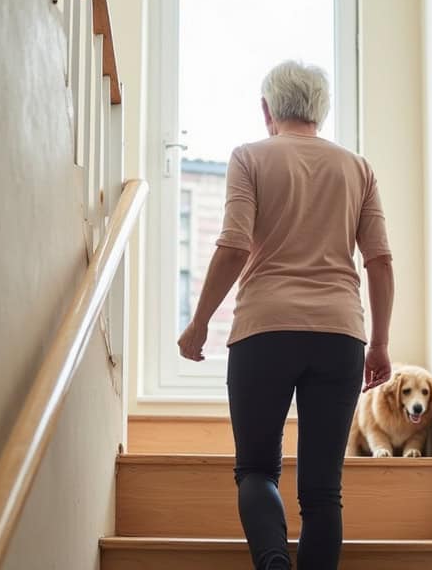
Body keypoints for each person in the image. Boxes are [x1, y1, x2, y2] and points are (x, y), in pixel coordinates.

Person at [177, 60, 394, 569]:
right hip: (340, 334)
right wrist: (380, 343)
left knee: (256, 470)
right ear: (322, 110)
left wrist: (200, 321)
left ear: (267, 109)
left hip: (263, 333)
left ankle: (272, 561)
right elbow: (380, 260)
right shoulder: (356, 167)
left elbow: (232, 247)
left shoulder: (249, 158)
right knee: (323, 491)